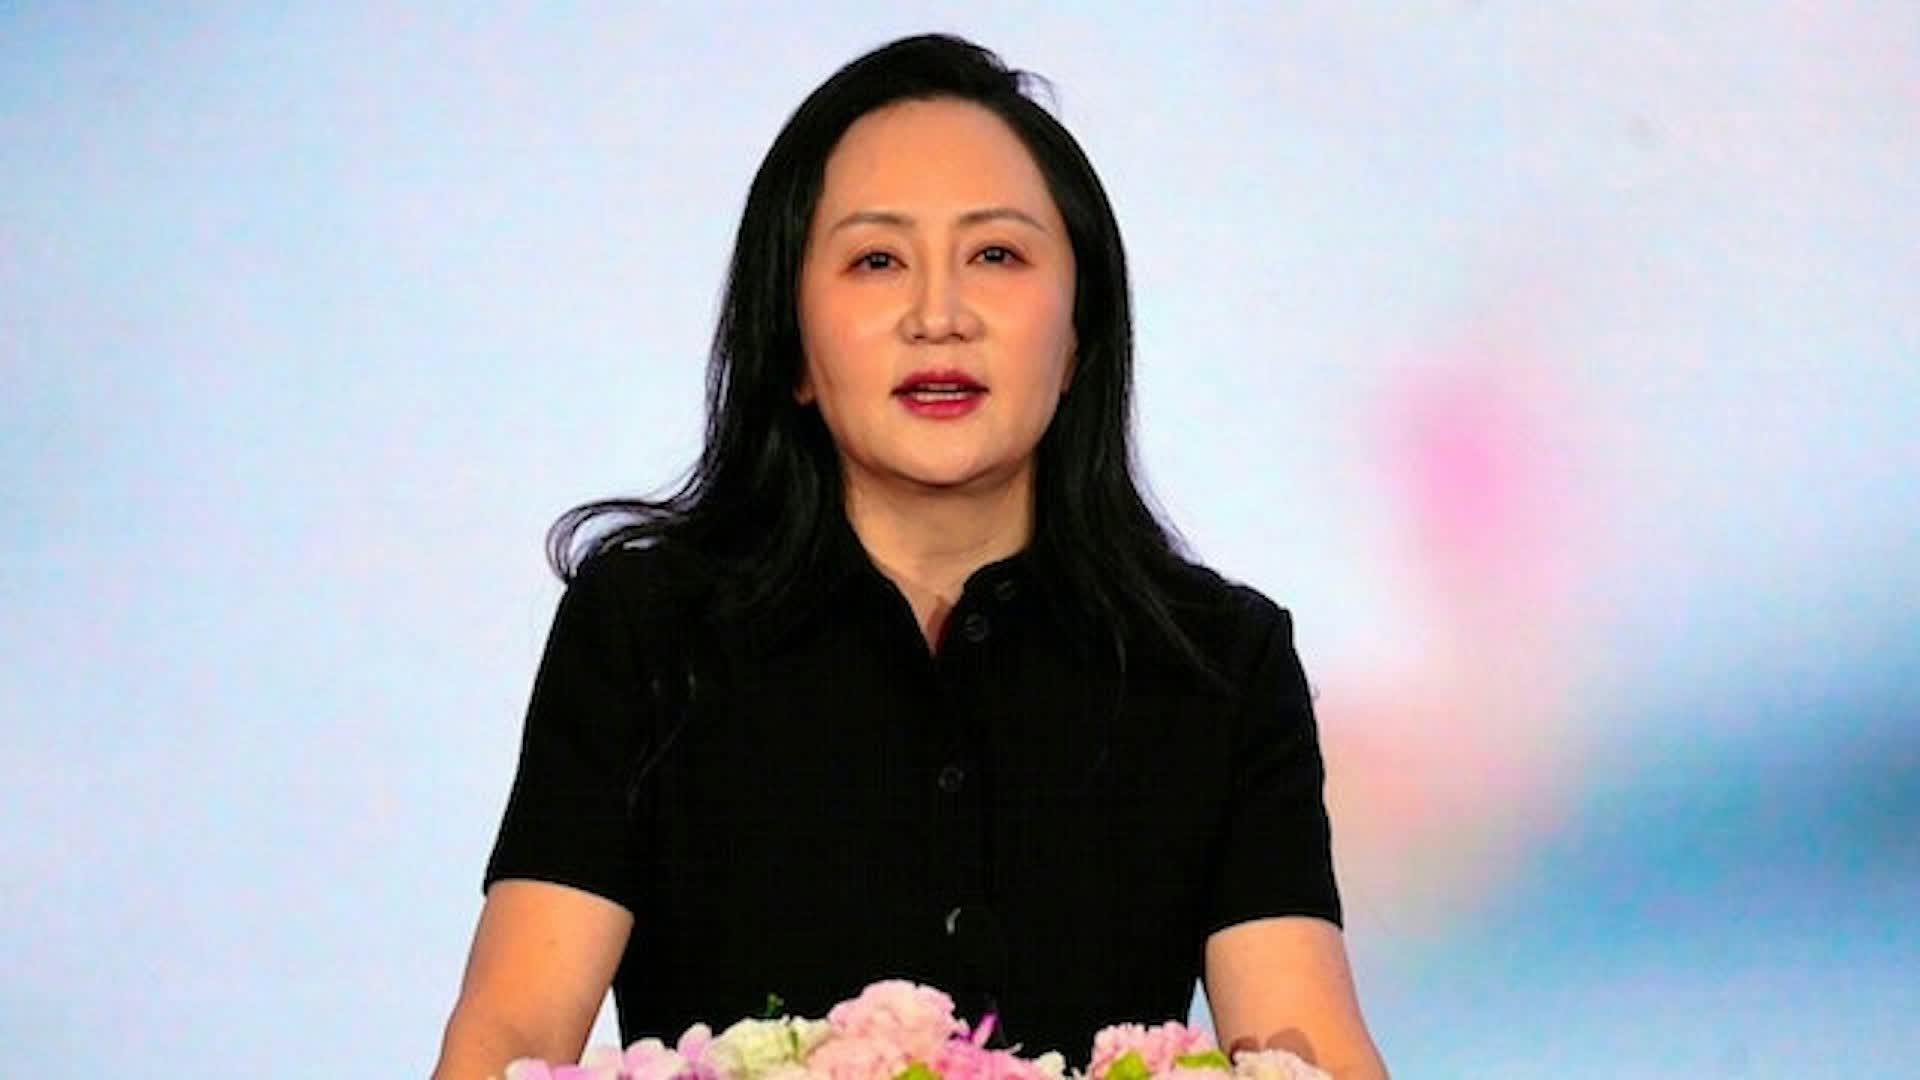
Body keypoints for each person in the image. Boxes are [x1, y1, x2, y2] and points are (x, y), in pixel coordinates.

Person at [434, 33, 1386, 1080]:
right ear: (792, 345)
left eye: (997, 256)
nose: (940, 317)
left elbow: (1306, 1047)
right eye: (877, 260)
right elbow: (512, 1032)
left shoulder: (1220, 663)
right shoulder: (646, 627)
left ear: (1080, 335)